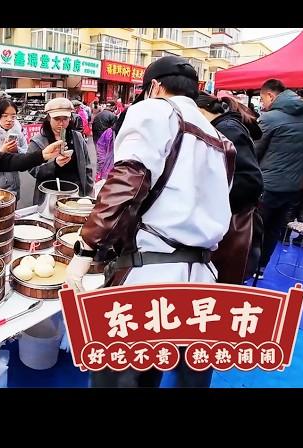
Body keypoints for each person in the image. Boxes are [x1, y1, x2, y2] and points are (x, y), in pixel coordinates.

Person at [66, 55, 233, 388]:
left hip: (151, 278)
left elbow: (129, 181)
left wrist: (84, 251)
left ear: (154, 87)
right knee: (159, 371)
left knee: (121, 379)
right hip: (202, 282)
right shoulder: (220, 140)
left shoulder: (155, 109)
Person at [196, 91, 264, 282]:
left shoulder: (226, 130)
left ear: (200, 111)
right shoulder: (222, 127)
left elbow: (251, 181)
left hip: (229, 225)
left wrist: (207, 198)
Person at [254, 79, 303, 277]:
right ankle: (261, 268)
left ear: (270, 95)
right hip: (293, 185)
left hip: (267, 185)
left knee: (257, 228)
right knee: (274, 229)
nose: (262, 104)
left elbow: (254, 152)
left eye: (262, 99)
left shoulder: (270, 118)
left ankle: (249, 267)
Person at [28, 98, 94, 206]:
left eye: (65, 119)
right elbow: (33, 169)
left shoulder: (77, 137)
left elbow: (87, 166)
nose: (61, 123)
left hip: (75, 192)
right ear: (49, 118)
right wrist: (54, 164)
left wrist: (88, 192)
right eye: (57, 119)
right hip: (50, 194)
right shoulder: (38, 141)